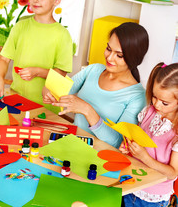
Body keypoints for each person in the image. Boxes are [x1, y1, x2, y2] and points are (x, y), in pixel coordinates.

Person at [43, 22, 149, 148]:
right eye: (109, 49)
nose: (109, 58)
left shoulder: (137, 96)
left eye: (119, 55)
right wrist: (49, 92)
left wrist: (88, 110)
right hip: (73, 143)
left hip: (101, 157)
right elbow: (61, 90)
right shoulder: (93, 70)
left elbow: (117, 142)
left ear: (134, 59)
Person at [0, 0, 73, 113]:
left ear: (56, 0)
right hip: (16, 99)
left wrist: (38, 72)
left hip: (44, 106)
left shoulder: (62, 35)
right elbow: (4, 58)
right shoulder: (20, 26)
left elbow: (61, 71)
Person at [119, 62, 178, 207]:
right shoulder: (148, 112)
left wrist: (144, 157)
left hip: (153, 197)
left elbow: (172, 174)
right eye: (154, 97)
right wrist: (128, 147)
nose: (157, 105)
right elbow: (137, 137)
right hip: (130, 183)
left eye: (164, 103)